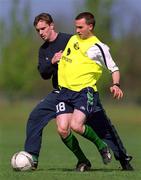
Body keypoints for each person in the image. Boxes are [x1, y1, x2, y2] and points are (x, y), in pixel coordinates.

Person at [24, 12, 133, 171]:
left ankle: (120, 157)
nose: (40, 32)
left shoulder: (80, 42)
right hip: (61, 92)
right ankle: (35, 157)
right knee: (50, 123)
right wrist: (53, 62)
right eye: (37, 30)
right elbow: (44, 73)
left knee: (99, 127)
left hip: (83, 92)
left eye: (43, 28)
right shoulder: (59, 45)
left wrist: (116, 84)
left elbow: (111, 67)